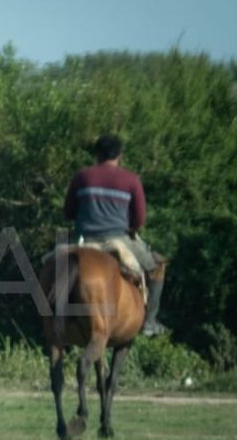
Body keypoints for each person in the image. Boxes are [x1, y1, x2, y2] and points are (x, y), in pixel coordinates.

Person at [63, 134, 168, 336]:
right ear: (120, 155)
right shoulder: (131, 179)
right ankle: (149, 322)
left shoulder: (81, 176)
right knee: (158, 267)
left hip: (83, 239)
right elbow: (139, 220)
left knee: (55, 266)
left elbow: (68, 212)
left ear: (97, 154)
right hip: (118, 239)